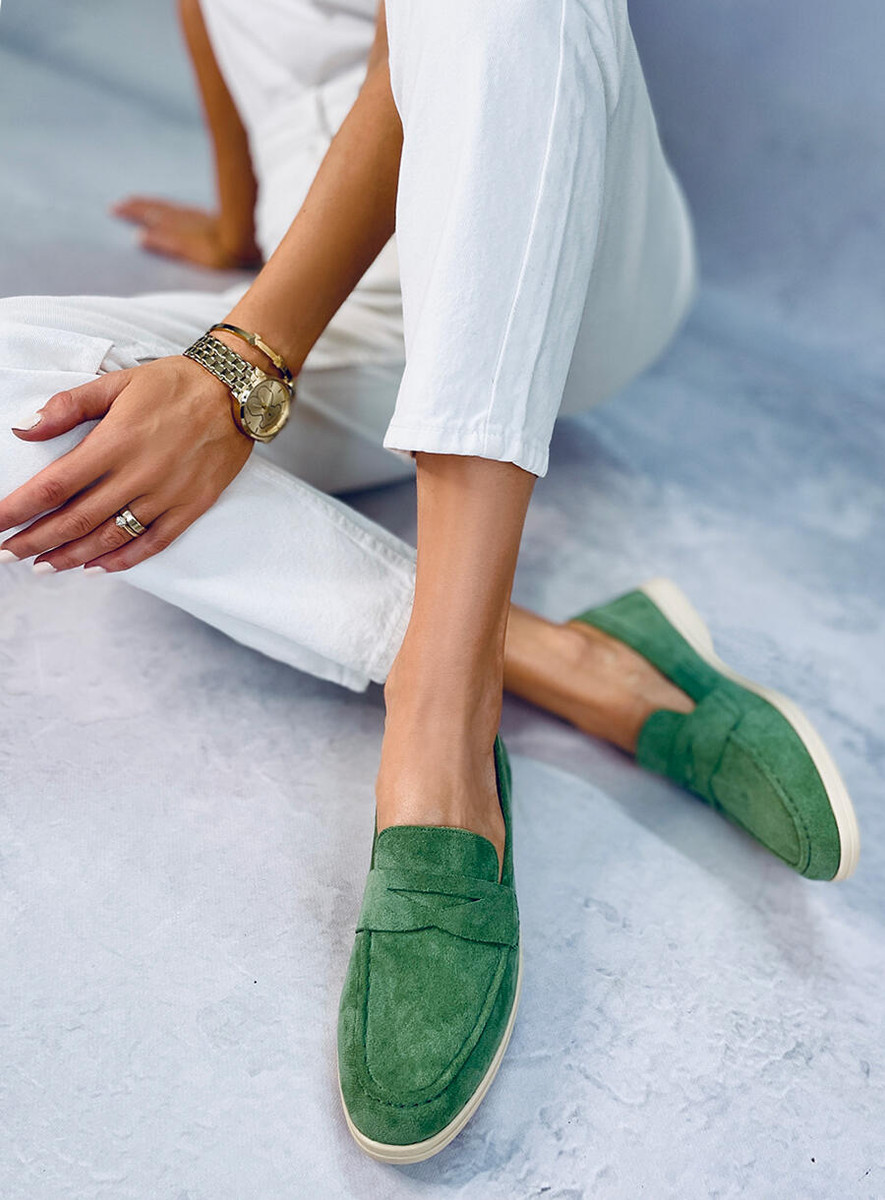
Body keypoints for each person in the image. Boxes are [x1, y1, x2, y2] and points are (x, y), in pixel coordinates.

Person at [0, 0, 859, 1163]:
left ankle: (444, 726)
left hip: (562, 235)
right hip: (340, 306)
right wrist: (237, 229)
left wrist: (238, 361)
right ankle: (571, 658)